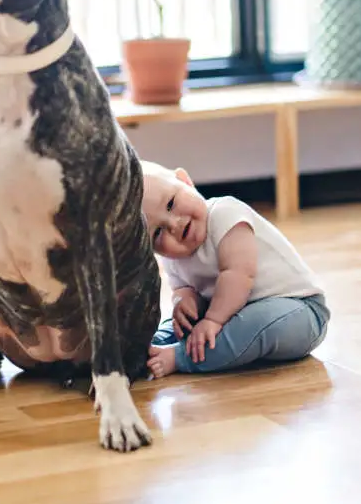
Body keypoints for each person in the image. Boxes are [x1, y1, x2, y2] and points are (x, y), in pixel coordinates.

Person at [138, 160, 330, 378]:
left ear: (185, 181)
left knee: (251, 323)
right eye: (157, 233)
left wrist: (213, 320)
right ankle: (149, 346)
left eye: (171, 204)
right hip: (231, 314)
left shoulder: (225, 215)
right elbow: (182, 288)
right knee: (185, 324)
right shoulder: (172, 258)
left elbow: (238, 275)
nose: (174, 224)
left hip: (299, 312)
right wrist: (184, 302)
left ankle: (180, 357)